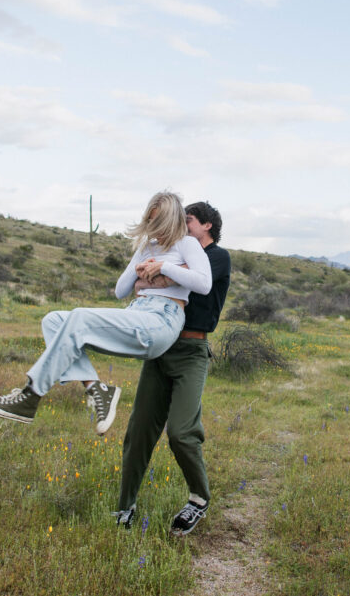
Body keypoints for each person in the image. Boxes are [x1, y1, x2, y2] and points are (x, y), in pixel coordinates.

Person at [0, 191, 212, 435]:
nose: (155, 228)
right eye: (151, 221)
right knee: (53, 320)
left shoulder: (187, 244)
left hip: (162, 319)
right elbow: (120, 291)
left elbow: (204, 284)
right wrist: (140, 269)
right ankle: (96, 389)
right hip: (137, 312)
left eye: (159, 222)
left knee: (79, 316)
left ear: (173, 220)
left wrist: (163, 267)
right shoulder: (146, 247)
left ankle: (30, 395)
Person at [113, 201, 230, 536]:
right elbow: (134, 286)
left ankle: (198, 499)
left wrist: (157, 273)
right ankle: (125, 506)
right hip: (161, 344)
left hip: (191, 349)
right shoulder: (177, 251)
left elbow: (197, 281)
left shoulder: (216, 257)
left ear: (206, 225)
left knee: (181, 432)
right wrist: (150, 273)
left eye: (188, 220)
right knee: (138, 432)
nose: (181, 225)